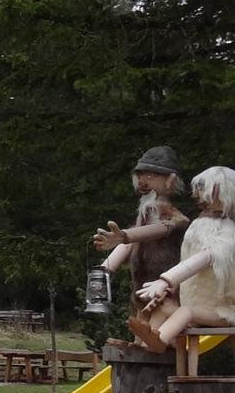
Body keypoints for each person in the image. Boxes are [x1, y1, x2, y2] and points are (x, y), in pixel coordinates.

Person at [93, 146, 189, 342]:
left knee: (154, 336)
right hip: (141, 294)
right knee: (140, 331)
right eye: (141, 176)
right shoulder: (143, 217)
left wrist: (125, 236)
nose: (143, 182)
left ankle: (152, 352)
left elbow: (160, 229)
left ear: (169, 180)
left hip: (165, 293)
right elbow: (131, 243)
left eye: (151, 176)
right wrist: (104, 269)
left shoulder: (177, 219)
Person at [136, 166, 235, 351]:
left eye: (205, 188)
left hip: (223, 311)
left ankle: (160, 340)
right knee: (163, 306)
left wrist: (166, 280)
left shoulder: (227, 232)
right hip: (197, 306)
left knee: (185, 312)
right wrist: (169, 289)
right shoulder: (200, 226)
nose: (198, 194)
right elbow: (190, 266)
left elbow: (204, 258)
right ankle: (143, 349)